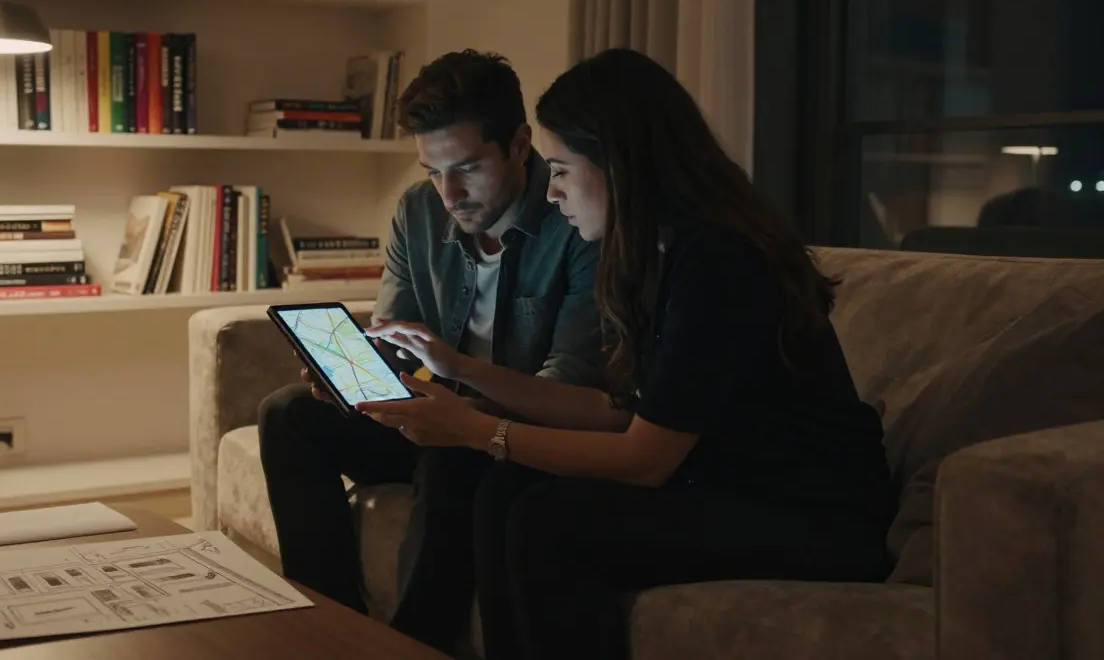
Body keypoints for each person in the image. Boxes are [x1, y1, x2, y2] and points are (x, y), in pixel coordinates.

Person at [358, 47, 897, 659]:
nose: (553, 193)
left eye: (560, 170)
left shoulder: (719, 260)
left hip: (808, 513)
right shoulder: (654, 253)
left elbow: (645, 459)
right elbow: (618, 410)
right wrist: (459, 369)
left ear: (619, 165)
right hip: (723, 480)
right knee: (505, 492)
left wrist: (477, 430)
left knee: (544, 520)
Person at [256, 49, 602, 654]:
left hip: (507, 430)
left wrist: (454, 401)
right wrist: (355, 373)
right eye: (433, 170)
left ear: (521, 144)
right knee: (289, 414)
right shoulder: (417, 210)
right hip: (432, 407)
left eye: (467, 168)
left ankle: (413, 647)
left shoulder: (576, 217)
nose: (449, 192)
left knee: (451, 450)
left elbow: (567, 384)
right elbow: (396, 337)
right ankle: (330, 632)